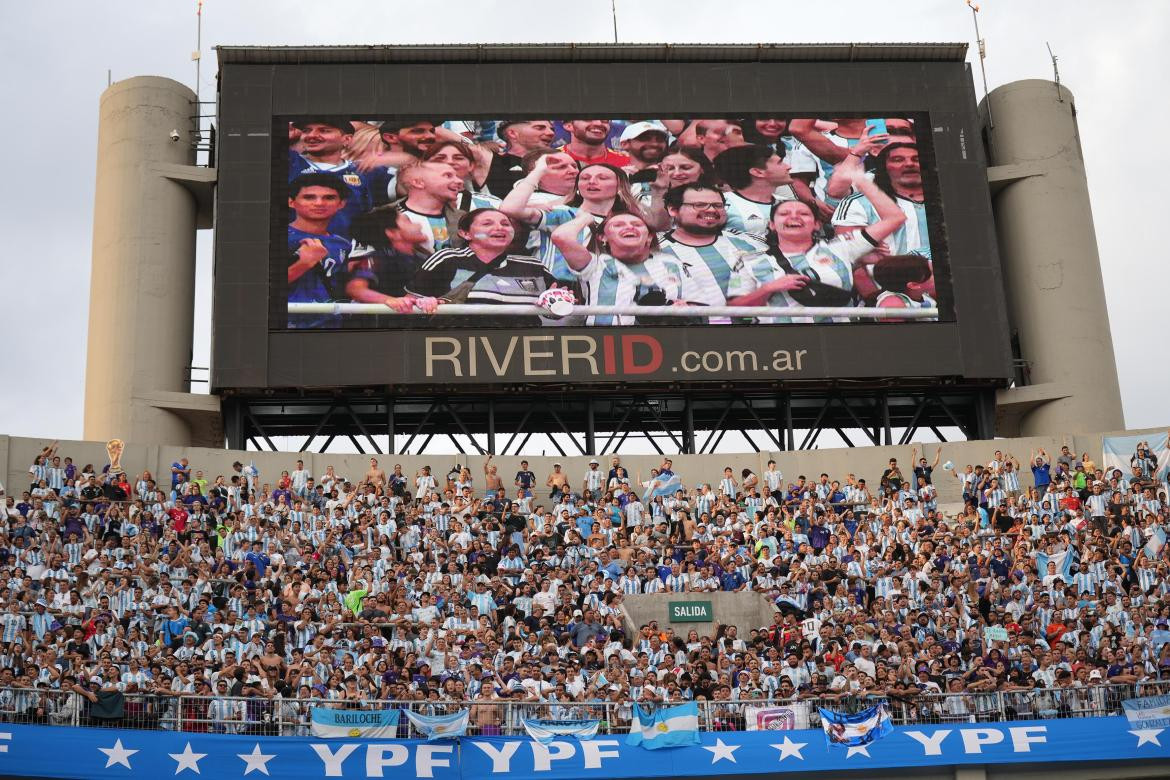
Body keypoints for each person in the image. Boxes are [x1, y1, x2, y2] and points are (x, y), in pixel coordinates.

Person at [725, 166, 907, 323]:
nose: (794, 217)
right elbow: (734, 309)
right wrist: (769, 288)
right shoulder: (748, 261)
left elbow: (895, 218)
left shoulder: (841, 247)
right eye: (784, 213)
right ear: (772, 225)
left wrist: (861, 180)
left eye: (803, 213)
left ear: (817, 224)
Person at [404, 208, 561, 327]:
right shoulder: (446, 259)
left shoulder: (533, 265)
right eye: (487, 224)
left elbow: (556, 312)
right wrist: (425, 303)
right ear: (465, 234)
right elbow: (409, 302)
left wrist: (558, 302)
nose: (500, 228)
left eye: (505, 224)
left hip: (523, 350)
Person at [501, 154, 645, 283]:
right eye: (585, 178)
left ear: (619, 186)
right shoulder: (563, 213)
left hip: (600, 297)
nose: (592, 182)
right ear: (577, 187)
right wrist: (539, 171)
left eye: (602, 178)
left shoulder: (629, 222)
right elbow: (509, 208)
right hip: (554, 294)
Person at [656, 183, 768, 322]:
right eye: (700, 204)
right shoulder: (654, 250)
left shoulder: (752, 243)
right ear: (673, 209)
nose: (711, 210)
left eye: (718, 205)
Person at [551, 210, 685, 325]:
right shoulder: (595, 264)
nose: (629, 228)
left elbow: (693, 302)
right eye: (618, 225)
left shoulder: (672, 264)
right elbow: (561, 237)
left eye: (637, 224)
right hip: (604, 341)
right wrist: (586, 218)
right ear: (603, 237)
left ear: (649, 237)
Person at [287, 118, 372, 239]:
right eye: (306, 131)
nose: (312, 135)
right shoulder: (291, 162)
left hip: (345, 250)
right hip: (297, 248)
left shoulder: (361, 172)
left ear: (347, 139)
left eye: (324, 130)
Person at [286, 172, 352, 326]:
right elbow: (259, 288)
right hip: (287, 324)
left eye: (329, 198)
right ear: (291, 202)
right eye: (309, 197)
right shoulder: (276, 238)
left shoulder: (343, 244)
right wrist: (305, 263)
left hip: (330, 324)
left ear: (341, 204)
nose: (319, 203)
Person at [712, 143, 796, 234]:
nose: (788, 167)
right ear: (758, 172)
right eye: (780, 163)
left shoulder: (791, 204)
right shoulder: (722, 205)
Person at [484, 120, 558, 197]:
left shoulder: (559, 163)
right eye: (539, 128)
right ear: (512, 133)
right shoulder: (490, 162)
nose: (551, 133)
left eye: (552, 129)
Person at [559, 120, 630, 167]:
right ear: (569, 126)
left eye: (604, 120)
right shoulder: (551, 159)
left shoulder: (626, 163)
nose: (599, 123)